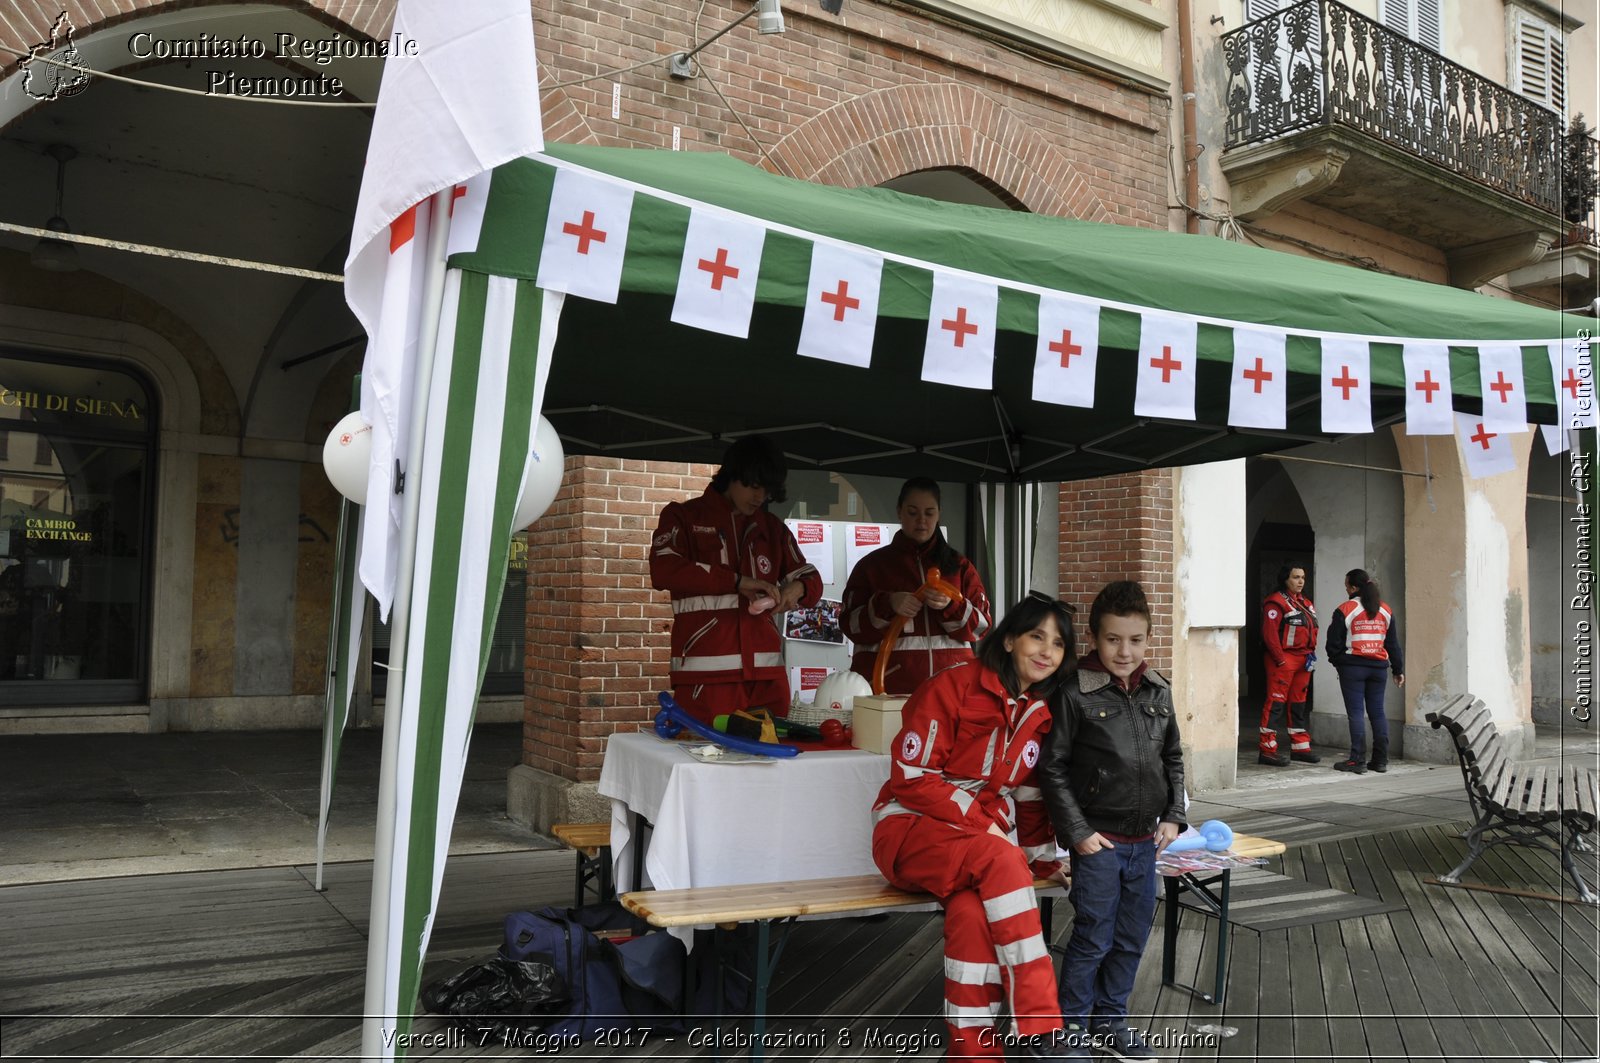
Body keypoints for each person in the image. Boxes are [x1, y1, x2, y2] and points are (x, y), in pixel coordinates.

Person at [870, 592, 1078, 1062]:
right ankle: (1041, 1023)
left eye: (1059, 644)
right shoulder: (953, 685)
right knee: (1000, 857)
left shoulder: (1039, 711)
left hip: (975, 847)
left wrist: (1044, 860)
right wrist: (987, 828)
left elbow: (1027, 798)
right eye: (1036, 636)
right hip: (908, 830)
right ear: (1008, 640)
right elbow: (912, 778)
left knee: (970, 915)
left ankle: (971, 1051)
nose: (1047, 650)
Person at [1039, 580, 1185, 1062]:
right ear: (1094, 638)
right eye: (1113, 640)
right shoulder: (1074, 692)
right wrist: (1077, 834)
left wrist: (1174, 816)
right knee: (1093, 936)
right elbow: (1052, 767)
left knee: (1131, 935)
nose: (1125, 651)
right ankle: (1072, 1029)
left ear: (1149, 638)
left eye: (1136, 640)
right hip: (1098, 843)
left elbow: (1174, 758)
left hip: (1147, 843)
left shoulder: (1158, 690)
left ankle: (1110, 1021)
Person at [648, 435, 822, 725]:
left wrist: (799, 588)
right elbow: (663, 569)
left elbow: (809, 575)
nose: (759, 497)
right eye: (753, 486)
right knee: (707, 761)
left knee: (773, 764)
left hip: (768, 679)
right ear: (730, 475)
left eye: (766, 490)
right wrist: (737, 581)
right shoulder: (683, 516)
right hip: (706, 678)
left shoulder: (772, 528)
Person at [841, 478, 992, 695]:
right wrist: (887, 604)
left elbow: (982, 627)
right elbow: (849, 625)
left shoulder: (960, 566)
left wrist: (951, 605)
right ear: (899, 512)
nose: (921, 520)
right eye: (912, 512)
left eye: (929, 513)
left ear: (939, 514)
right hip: (888, 692)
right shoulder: (872, 566)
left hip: (950, 692)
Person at [1325, 568, 1405, 774]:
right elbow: (1393, 644)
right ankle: (1380, 761)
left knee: (1356, 714)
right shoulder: (1385, 610)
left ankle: (1357, 761)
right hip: (1378, 669)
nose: (1346, 590)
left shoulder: (1346, 609)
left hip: (1353, 668)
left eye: (1347, 586)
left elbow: (1333, 643)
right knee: (1377, 712)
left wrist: (1339, 662)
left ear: (1354, 587)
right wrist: (1398, 669)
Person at [1257, 563, 1320, 766]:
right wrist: (1281, 659)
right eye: (1295, 577)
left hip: (1304, 660)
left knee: (1299, 704)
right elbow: (1270, 635)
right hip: (1283, 659)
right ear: (1286, 579)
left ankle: (1300, 748)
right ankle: (1267, 750)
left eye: (1302, 577)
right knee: (1276, 704)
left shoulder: (1306, 602)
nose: (1300, 581)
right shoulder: (1275, 602)